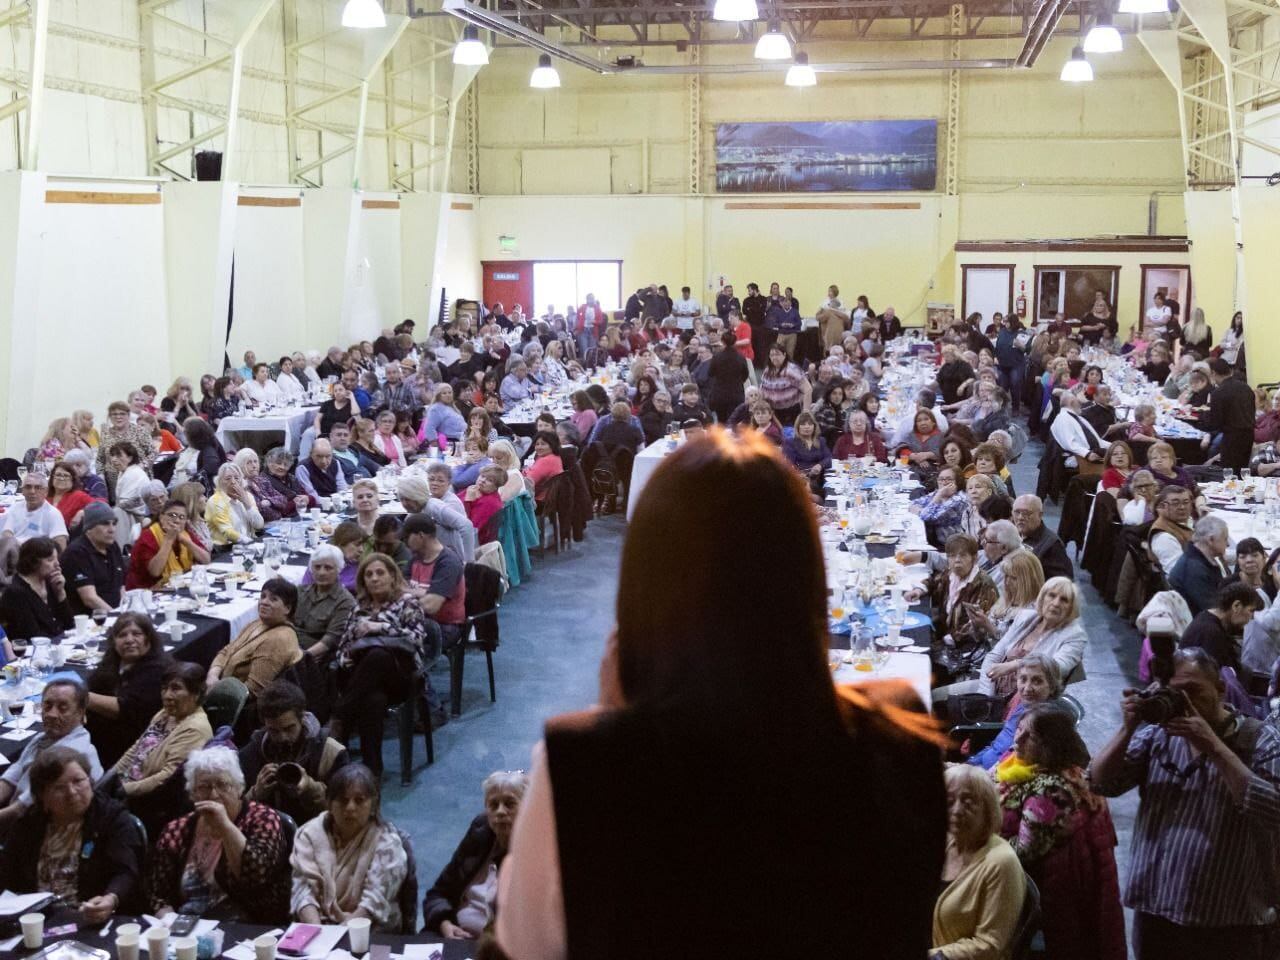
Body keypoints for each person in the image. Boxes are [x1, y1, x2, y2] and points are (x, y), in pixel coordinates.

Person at [496, 430, 945, 960]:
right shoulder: (900, 735)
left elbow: (529, 947)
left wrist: (616, 728)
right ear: (804, 574)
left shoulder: (578, 766)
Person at [1091, 647, 1280, 960]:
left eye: (1194, 691)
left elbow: (1274, 812)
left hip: (1228, 924)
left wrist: (1215, 747)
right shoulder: (1157, 735)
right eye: (1175, 693)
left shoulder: (1263, 740)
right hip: (1157, 912)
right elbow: (1100, 782)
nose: (1185, 703)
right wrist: (1128, 727)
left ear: (1221, 689)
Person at [995, 704, 1126, 960]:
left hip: (1054, 894)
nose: (1018, 740)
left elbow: (1023, 852)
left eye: (1030, 736)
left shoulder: (1051, 792)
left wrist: (981, 844)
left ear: (1050, 746)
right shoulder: (1024, 766)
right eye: (1019, 729)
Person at [0, 746, 145, 921]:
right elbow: (7, 874)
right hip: (36, 920)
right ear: (42, 796)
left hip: (89, 918)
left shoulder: (112, 818)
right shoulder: (29, 824)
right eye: (59, 788)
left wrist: (110, 899)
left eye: (78, 781)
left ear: (90, 781)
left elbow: (126, 872)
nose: (72, 792)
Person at [148, 746, 290, 922]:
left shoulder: (263, 819)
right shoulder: (176, 830)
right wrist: (171, 924)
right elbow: (160, 896)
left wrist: (225, 826)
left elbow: (256, 878)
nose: (214, 794)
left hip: (247, 927)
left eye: (223, 785)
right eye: (204, 787)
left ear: (239, 788)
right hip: (186, 927)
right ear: (193, 794)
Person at [330, 554, 432, 781]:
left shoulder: (408, 603)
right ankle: (372, 769)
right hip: (364, 680)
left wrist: (380, 627)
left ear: (392, 576)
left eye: (380, 573)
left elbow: (415, 639)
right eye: (369, 575)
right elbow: (343, 646)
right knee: (372, 700)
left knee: (377, 655)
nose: (374, 579)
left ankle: (339, 718)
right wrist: (347, 657)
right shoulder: (359, 608)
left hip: (401, 676)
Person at [289, 762, 408, 929]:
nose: (350, 807)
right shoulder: (309, 835)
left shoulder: (387, 844)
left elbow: (372, 904)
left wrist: (336, 936)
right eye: (343, 800)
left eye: (359, 801)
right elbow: (303, 893)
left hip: (371, 931)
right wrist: (318, 935)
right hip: (317, 929)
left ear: (374, 806)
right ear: (329, 804)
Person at [931, 765, 1026, 959]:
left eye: (968, 802)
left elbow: (989, 945)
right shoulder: (947, 842)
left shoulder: (1002, 863)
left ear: (988, 808)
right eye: (949, 801)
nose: (956, 810)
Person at [424, 770, 528, 939]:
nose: (500, 812)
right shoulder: (480, 833)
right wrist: (444, 924)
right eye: (493, 805)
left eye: (509, 804)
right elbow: (438, 893)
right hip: (453, 935)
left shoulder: (536, 853)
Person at [240, 680, 348, 825]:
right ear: (265, 724)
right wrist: (256, 793)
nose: (282, 737)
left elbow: (344, 812)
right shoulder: (252, 752)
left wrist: (310, 789)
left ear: (302, 718)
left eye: (289, 728)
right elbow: (235, 813)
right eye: (274, 731)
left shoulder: (331, 753)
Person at [0, 678, 103, 828]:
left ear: (81, 712)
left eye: (62, 708)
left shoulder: (72, 754)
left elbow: (23, 809)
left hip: (38, 829)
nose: (52, 714)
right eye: (47, 706)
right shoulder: (42, 738)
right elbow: (10, 779)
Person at [110, 661, 211, 802]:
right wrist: (110, 777)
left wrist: (123, 790)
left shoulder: (195, 729)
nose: (167, 695)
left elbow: (168, 777)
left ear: (196, 694)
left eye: (175, 689)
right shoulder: (165, 715)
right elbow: (137, 748)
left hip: (148, 800)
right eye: (164, 688)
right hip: (127, 783)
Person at [86, 613, 169, 767]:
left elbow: (126, 709)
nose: (129, 640)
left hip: (133, 749)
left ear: (148, 639)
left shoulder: (158, 670)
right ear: (114, 642)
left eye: (137, 634)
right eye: (122, 635)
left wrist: (81, 697)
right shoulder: (111, 665)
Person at [207, 577, 304, 700]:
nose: (264, 602)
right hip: (221, 686)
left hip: (237, 704)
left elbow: (252, 691)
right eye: (263, 596)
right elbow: (227, 650)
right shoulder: (258, 623)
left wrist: (215, 693)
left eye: (273, 599)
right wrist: (213, 675)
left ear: (287, 608)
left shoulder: (277, 640)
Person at [967, 653, 1062, 770]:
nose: (1027, 688)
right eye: (1023, 679)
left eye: (1037, 681)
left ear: (1052, 686)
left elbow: (1013, 766)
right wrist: (971, 763)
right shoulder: (1025, 705)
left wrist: (973, 773)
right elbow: (996, 746)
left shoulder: (1044, 722)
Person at [1178, 580, 1261, 674]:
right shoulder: (1211, 633)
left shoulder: (1208, 621)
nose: (1250, 618)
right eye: (1251, 611)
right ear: (1236, 606)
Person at [0, 536, 73, 641]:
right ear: (33, 562)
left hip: (60, 644)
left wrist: (60, 592)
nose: (57, 564)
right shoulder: (16, 593)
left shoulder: (51, 582)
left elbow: (69, 624)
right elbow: (33, 635)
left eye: (57, 558)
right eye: (50, 560)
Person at [126, 499, 209, 590]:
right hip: (148, 591)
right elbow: (155, 571)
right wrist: (169, 540)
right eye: (172, 515)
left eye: (182, 517)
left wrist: (187, 542)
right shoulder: (148, 536)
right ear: (161, 517)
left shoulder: (185, 534)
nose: (177, 520)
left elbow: (206, 560)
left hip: (178, 586)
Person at [60, 502, 126, 615]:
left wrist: (124, 609)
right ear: (89, 529)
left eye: (114, 523)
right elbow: (89, 599)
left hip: (114, 614)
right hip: (88, 619)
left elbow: (121, 586)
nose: (112, 529)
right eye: (105, 524)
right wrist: (117, 616)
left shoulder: (112, 546)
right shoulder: (77, 553)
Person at [295, 544, 357, 661]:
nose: (321, 572)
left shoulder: (345, 602)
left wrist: (300, 658)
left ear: (339, 570)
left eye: (328, 568)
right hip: (288, 647)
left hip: (313, 658)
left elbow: (328, 642)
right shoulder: (300, 591)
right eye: (317, 567)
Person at [1169, 514, 1230, 615]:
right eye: (1225, 539)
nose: (1227, 544)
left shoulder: (1200, 558)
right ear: (1210, 540)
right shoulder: (1194, 569)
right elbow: (1214, 610)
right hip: (1200, 624)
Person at [1204, 357, 1256, 471]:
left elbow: (1214, 423)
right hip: (1249, 435)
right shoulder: (1246, 388)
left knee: (1230, 471)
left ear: (1213, 373)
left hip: (1231, 437)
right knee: (1243, 470)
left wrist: (1207, 408)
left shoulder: (1218, 393)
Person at [1011, 494, 1073, 581]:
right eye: (1017, 512)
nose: (1020, 517)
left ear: (1040, 515)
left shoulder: (1052, 546)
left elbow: (1060, 586)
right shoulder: (1012, 533)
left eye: (1027, 513)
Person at [1, 471, 69, 547]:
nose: (32, 491)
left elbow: (61, 544)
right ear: (22, 491)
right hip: (15, 551)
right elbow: (7, 532)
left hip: (38, 554)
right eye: (28, 487)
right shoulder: (16, 507)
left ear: (46, 492)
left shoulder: (53, 514)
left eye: (38, 488)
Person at [206, 463, 265, 545]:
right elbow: (227, 531)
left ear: (241, 480)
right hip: (226, 549)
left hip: (248, 546)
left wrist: (246, 504)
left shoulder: (247, 496)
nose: (233, 482)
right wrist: (250, 543)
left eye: (237, 478)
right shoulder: (215, 501)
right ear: (220, 482)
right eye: (228, 479)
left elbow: (259, 525)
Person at [917, 467, 972, 547]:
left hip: (952, 547)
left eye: (949, 479)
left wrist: (938, 495)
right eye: (941, 479)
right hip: (937, 542)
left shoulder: (959, 500)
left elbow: (926, 517)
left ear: (958, 481)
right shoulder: (940, 494)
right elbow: (913, 504)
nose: (944, 483)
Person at [1146, 485, 1194, 576]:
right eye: (1175, 503)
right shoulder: (1163, 537)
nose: (1182, 507)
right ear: (1163, 506)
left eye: (1186, 502)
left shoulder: (1183, 522)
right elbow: (1179, 573)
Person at [1050, 392, 1106, 469]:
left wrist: (1114, 445)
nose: (1080, 404)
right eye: (1078, 401)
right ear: (1071, 402)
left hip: (1093, 452)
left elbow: (1097, 440)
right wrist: (1087, 454)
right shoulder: (1062, 418)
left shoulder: (1079, 418)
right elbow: (1069, 444)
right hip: (1080, 458)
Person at [758, 343, 807, 426]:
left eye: (777, 354)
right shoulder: (767, 371)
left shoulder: (792, 370)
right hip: (773, 412)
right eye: (772, 355)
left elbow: (808, 389)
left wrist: (806, 412)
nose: (774, 357)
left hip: (791, 411)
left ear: (784, 355)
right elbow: (762, 390)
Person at [782, 411, 831, 487]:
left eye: (810, 424)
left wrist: (820, 465)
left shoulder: (821, 440)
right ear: (798, 427)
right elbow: (789, 465)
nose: (807, 427)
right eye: (803, 424)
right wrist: (804, 475)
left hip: (819, 480)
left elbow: (828, 458)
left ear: (814, 426)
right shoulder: (790, 443)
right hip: (800, 480)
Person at [464, 465, 507, 543]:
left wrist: (467, 502)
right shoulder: (475, 489)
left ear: (496, 486)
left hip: (472, 543)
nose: (483, 480)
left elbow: (469, 528)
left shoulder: (490, 503)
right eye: (482, 476)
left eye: (490, 480)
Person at [523, 430, 565, 502]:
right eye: (537, 444)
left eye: (543, 444)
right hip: (547, 500)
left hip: (538, 502)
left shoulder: (547, 461)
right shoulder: (555, 457)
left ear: (552, 445)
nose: (539, 447)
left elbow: (528, 482)